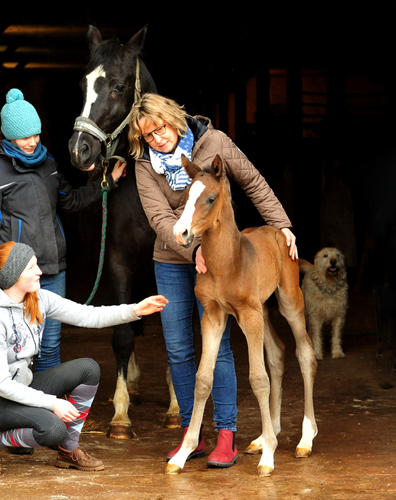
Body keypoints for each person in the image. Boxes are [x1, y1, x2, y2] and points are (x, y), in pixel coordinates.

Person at [128, 93, 298, 469]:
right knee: (178, 349)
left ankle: (226, 433)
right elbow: (158, 217)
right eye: (148, 135)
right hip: (174, 257)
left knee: (218, 348)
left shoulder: (215, 143)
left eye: (161, 128)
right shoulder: (145, 166)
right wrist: (192, 252)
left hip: (223, 255)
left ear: (174, 119)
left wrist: (282, 224)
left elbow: (253, 181)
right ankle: (193, 432)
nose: (157, 138)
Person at [0, 241, 168, 476]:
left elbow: (88, 315)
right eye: (31, 267)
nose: (40, 271)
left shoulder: (38, 298)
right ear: (14, 275)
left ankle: (68, 450)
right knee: (53, 429)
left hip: (21, 387)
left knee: (88, 368)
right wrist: (53, 403)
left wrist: (133, 310)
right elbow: (1, 384)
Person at [0, 88, 126, 374]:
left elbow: (72, 201)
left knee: (50, 345)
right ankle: (21, 410)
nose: (32, 142)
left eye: (36, 135)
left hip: (53, 270)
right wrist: (12, 272)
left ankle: (46, 412)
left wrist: (108, 182)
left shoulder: (49, 164)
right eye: (25, 136)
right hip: (17, 276)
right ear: (9, 135)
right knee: (19, 348)